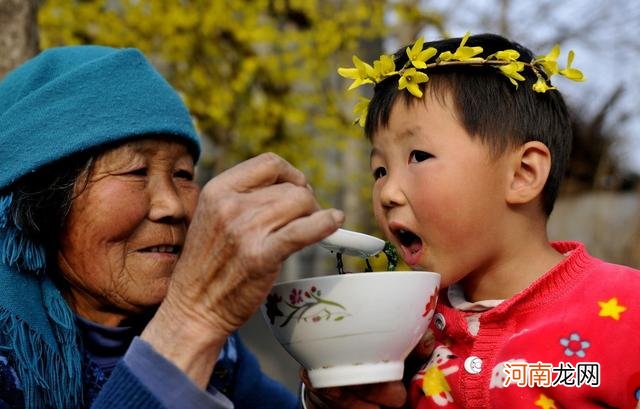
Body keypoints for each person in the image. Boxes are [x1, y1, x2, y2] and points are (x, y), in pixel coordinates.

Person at [302, 33, 640, 408]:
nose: (387, 193)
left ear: (523, 173)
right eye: (379, 170)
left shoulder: (629, 312)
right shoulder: (401, 329)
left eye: (418, 156)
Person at [0, 45, 345, 408]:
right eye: (136, 171)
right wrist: (191, 324)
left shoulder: (221, 353)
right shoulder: (195, 321)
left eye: (183, 174)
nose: (173, 205)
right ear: (42, 200)